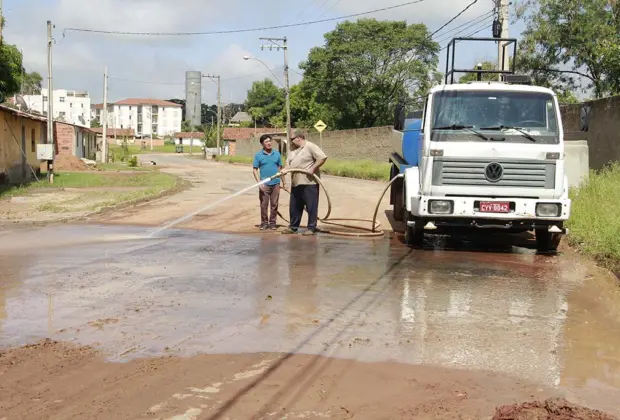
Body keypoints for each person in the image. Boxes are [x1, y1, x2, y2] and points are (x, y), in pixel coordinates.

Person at [280, 130, 327, 235]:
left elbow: (322, 157)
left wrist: (313, 168)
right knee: (294, 206)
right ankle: (293, 227)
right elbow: (289, 164)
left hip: (309, 183)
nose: (291, 142)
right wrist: (285, 169)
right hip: (296, 183)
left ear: (299, 138)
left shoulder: (310, 146)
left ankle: (311, 228)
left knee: (311, 206)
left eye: (292, 139)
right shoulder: (292, 150)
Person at [253, 134, 287, 230]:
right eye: (266, 142)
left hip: (276, 183)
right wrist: (259, 183)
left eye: (269, 141)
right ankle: (264, 223)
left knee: (274, 204)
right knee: (264, 205)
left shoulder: (277, 154)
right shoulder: (258, 155)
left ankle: (273, 223)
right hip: (264, 184)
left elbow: (280, 169)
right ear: (262, 144)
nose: (269, 143)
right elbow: (254, 170)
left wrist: (284, 182)